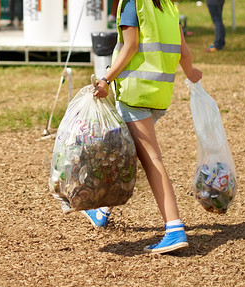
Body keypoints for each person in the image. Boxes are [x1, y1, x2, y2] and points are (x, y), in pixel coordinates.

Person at [82, 0, 202, 254]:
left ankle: (174, 228)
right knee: (131, 150)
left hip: (136, 93)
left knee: (151, 159)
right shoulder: (169, 6)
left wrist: (105, 79)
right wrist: (191, 73)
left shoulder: (132, 5)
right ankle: (102, 210)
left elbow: (130, 46)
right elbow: (183, 50)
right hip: (159, 95)